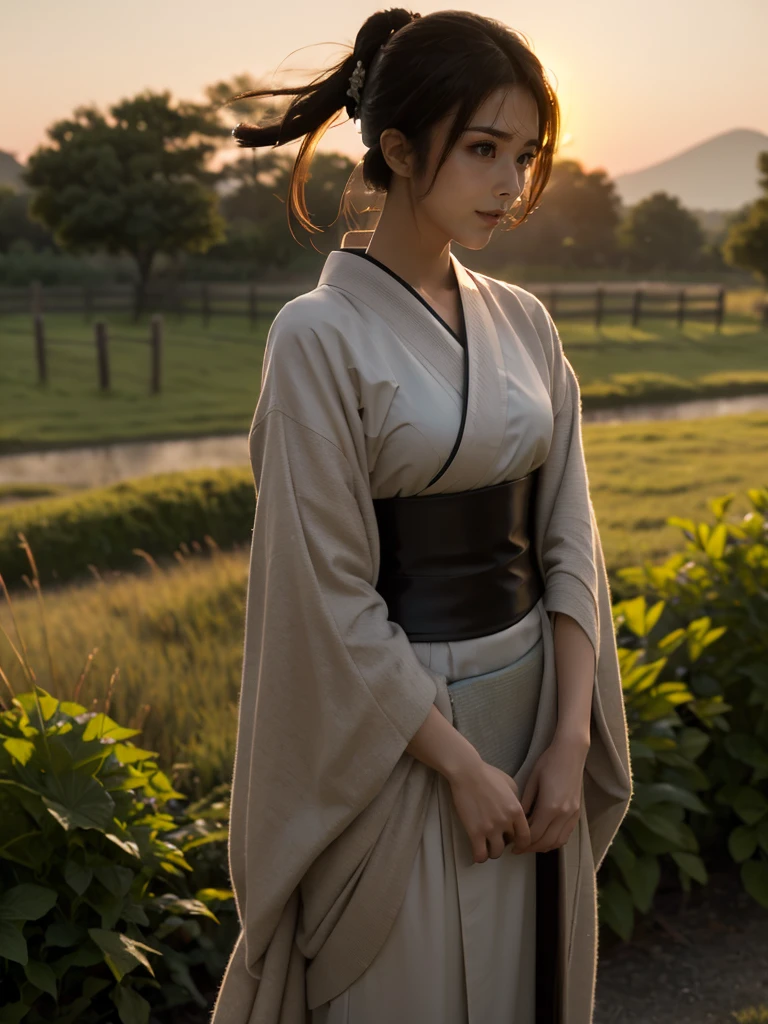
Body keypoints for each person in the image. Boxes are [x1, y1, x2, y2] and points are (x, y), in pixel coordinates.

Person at [210, 9, 633, 1024]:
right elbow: (329, 594)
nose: (510, 183)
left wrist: (570, 739)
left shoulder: (524, 320)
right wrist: (456, 765)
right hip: (401, 739)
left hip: (535, 720)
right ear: (399, 150)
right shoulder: (316, 338)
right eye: (483, 149)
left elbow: (571, 538)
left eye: (524, 155)